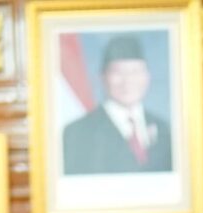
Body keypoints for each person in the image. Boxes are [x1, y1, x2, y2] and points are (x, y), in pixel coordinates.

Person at [61, 37, 175, 174]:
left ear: (147, 77)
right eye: (118, 72)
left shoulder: (164, 129)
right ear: (102, 77)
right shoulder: (77, 133)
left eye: (135, 71)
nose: (127, 81)